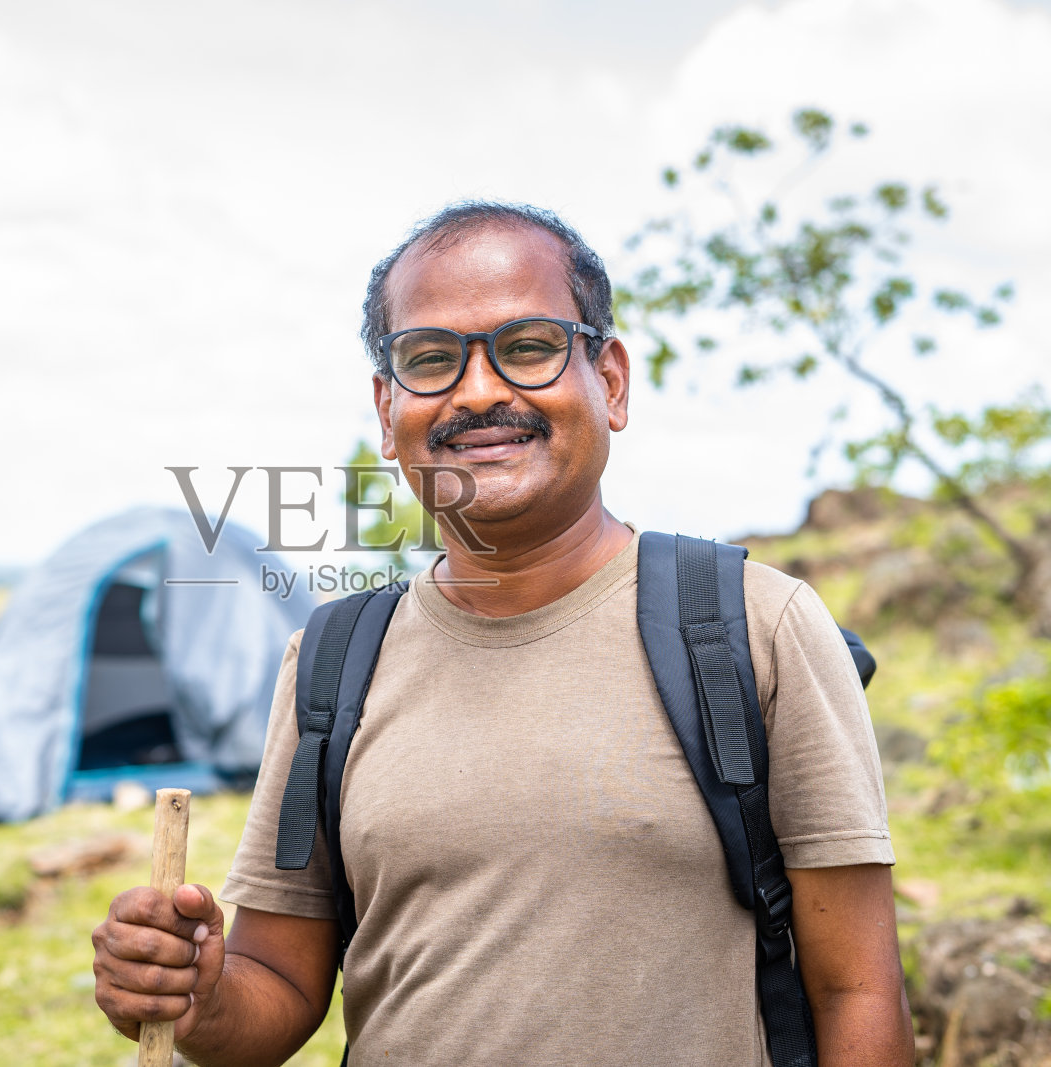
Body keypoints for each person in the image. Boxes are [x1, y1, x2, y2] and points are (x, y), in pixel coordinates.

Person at [92, 202, 915, 1066]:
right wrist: (189, 991)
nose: (479, 392)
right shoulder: (335, 661)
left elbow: (856, 990)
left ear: (613, 380)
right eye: (430, 360)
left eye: (528, 347)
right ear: (387, 408)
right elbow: (279, 990)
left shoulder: (753, 625)